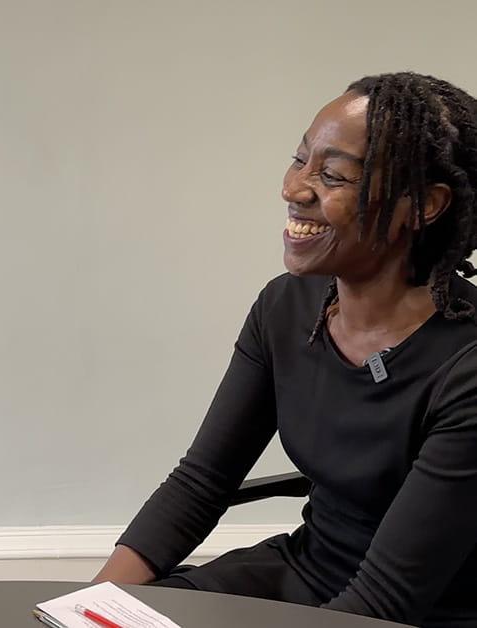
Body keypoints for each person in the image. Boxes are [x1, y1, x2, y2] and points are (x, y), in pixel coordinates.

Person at [92, 72, 477, 628]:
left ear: (423, 206)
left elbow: (388, 598)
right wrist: (88, 607)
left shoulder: (464, 371)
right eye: (300, 160)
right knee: (133, 614)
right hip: (306, 570)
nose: (294, 189)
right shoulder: (286, 307)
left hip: (418, 613)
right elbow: (201, 481)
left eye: (333, 174)